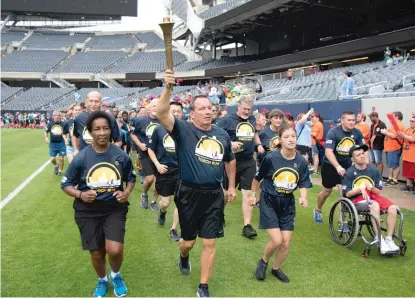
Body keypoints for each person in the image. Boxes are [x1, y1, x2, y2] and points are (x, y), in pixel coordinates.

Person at [157, 70, 236, 297]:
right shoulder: (183, 129)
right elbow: (162, 111)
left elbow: (230, 159)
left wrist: (231, 186)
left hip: (213, 195)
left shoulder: (222, 134)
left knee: (210, 242)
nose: (208, 111)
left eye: (210, 108)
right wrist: (168, 88)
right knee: (188, 242)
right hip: (188, 194)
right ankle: (183, 255)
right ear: (191, 114)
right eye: (201, 108)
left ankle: (203, 286)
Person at [61, 111, 136, 297]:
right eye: (97, 129)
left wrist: (126, 192)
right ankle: (102, 279)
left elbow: (131, 178)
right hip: (87, 211)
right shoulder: (81, 157)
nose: (102, 133)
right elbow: (65, 184)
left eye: (105, 128)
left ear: (111, 130)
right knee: (97, 253)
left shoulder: (120, 155)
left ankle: (116, 274)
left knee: (115, 250)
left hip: (114, 210)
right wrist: (80, 194)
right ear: (90, 132)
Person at [251, 124, 311, 282]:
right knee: (276, 240)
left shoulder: (301, 161)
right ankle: (263, 261)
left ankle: (276, 269)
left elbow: (304, 182)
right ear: (280, 140)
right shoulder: (271, 158)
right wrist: (252, 194)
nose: (291, 139)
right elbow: (257, 178)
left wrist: (303, 197)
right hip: (269, 200)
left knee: (285, 243)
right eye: (287, 137)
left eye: (293, 136)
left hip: (288, 204)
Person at [217, 95, 265, 239]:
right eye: (244, 109)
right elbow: (216, 134)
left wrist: (259, 144)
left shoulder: (251, 119)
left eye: (249, 110)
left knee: (247, 193)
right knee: (226, 194)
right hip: (230, 162)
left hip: (248, 161)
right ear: (238, 107)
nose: (246, 112)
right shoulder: (227, 120)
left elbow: (254, 133)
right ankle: (219, 214)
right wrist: (230, 143)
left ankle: (247, 226)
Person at [342, 144, 400, 254]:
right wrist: (360, 188)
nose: (362, 156)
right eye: (358, 155)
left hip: (372, 197)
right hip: (356, 201)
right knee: (375, 205)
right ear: (353, 159)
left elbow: (378, 191)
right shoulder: (349, 172)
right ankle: (379, 238)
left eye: (363, 153)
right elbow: (348, 194)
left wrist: (371, 187)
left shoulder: (374, 170)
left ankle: (389, 239)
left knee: (392, 208)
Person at [314, 111, 366, 224]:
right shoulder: (333, 132)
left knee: (344, 193)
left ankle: (342, 222)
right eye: (349, 120)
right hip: (330, 166)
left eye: (353, 120)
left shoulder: (357, 133)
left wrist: (365, 165)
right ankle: (318, 209)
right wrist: (337, 166)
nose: (352, 122)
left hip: (347, 166)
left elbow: (363, 151)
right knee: (326, 191)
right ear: (342, 120)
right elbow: (328, 151)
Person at [148, 102, 183, 241]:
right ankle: (162, 212)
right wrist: (157, 164)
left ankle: (173, 229)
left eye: (178, 111)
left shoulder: (187, 129)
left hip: (182, 171)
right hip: (165, 170)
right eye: (173, 111)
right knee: (165, 202)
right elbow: (151, 149)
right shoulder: (159, 129)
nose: (175, 113)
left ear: (182, 113)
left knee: (181, 201)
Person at [131, 99, 160, 210]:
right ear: (149, 108)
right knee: (150, 179)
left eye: (158, 106)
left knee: (159, 181)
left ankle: (154, 201)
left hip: (160, 154)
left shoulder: (164, 121)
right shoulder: (141, 120)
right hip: (146, 153)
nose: (156, 108)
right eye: (154, 106)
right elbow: (133, 135)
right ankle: (144, 194)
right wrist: (140, 144)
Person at [381, 111, 405, 186]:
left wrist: (385, 132)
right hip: (389, 148)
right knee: (391, 165)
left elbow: (394, 136)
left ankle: (395, 180)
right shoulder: (394, 125)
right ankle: (390, 178)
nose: (391, 119)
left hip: (394, 148)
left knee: (395, 165)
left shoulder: (399, 125)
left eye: (392, 117)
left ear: (397, 117)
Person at [44, 111, 68, 175]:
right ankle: (56, 166)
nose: (57, 117)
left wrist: (66, 140)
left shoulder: (64, 124)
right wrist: (46, 137)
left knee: (61, 158)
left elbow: (66, 133)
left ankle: (60, 171)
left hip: (61, 143)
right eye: (55, 115)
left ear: (60, 116)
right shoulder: (50, 124)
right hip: (53, 144)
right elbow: (46, 131)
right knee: (52, 159)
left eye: (58, 115)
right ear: (53, 116)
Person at [397, 115, 415, 192]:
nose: (411, 122)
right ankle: (409, 186)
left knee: (413, 174)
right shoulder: (407, 129)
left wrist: (403, 135)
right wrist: (400, 135)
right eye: (410, 121)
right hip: (406, 156)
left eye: (413, 121)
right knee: (407, 173)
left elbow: (412, 139)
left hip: (413, 157)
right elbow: (402, 138)